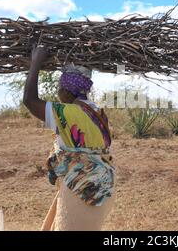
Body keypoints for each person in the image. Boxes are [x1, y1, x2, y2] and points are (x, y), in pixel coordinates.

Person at [23, 45, 115, 231]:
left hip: (81, 189)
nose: (57, 92)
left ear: (67, 90)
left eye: (59, 87)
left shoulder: (68, 113)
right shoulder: (96, 112)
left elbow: (29, 100)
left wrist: (35, 63)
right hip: (102, 187)